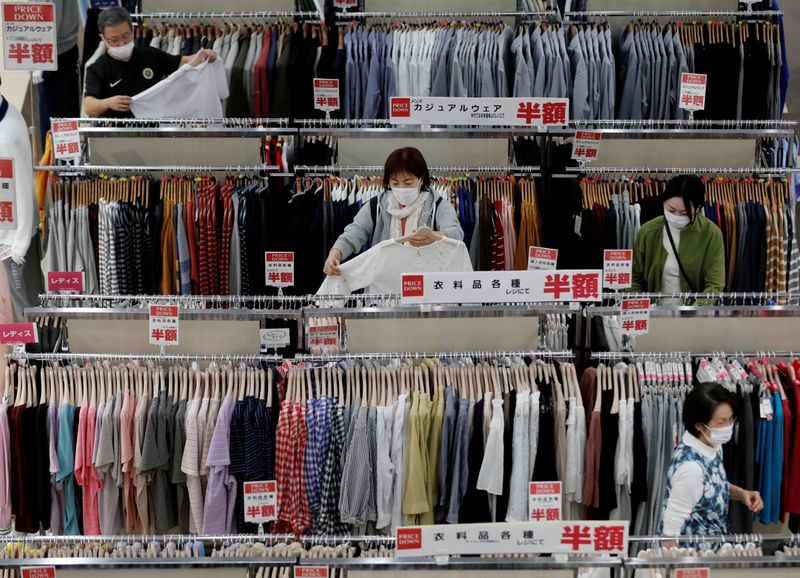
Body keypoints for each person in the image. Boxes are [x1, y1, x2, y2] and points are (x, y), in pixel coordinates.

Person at [323, 147, 464, 276]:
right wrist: (335, 254)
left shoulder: (437, 205)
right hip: (383, 287)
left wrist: (436, 237)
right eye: (395, 183)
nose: (401, 188)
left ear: (421, 179)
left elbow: (456, 233)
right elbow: (354, 232)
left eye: (408, 183)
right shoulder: (376, 206)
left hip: (425, 289)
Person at [659, 383, 763, 538]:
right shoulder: (691, 469)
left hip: (711, 548)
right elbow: (669, 532)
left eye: (731, 419)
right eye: (721, 422)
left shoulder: (711, 444)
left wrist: (742, 494)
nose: (728, 426)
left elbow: (712, 486)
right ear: (700, 425)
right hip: (691, 555)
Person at [84, 6, 217, 118]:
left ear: (133, 31)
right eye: (114, 39)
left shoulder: (150, 55)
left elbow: (183, 62)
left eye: (126, 36)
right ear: (103, 38)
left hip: (153, 130)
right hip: (117, 134)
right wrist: (107, 103)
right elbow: (89, 106)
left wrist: (204, 55)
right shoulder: (97, 68)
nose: (122, 43)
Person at [631, 175, 725, 294]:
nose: (676, 217)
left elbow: (715, 283)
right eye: (671, 210)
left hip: (693, 309)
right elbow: (634, 277)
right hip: (652, 309)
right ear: (664, 203)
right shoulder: (648, 231)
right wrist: (637, 305)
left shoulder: (710, 234)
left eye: (684, 212)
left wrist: (696, 309)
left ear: (697, 209)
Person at [0, 76, 43, 320]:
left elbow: (22, 194)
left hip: (11, 242)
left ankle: (28, 356)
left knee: (21, 309)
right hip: (12, 235)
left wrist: (19, 245)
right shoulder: (7, 111)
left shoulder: (4, 139)